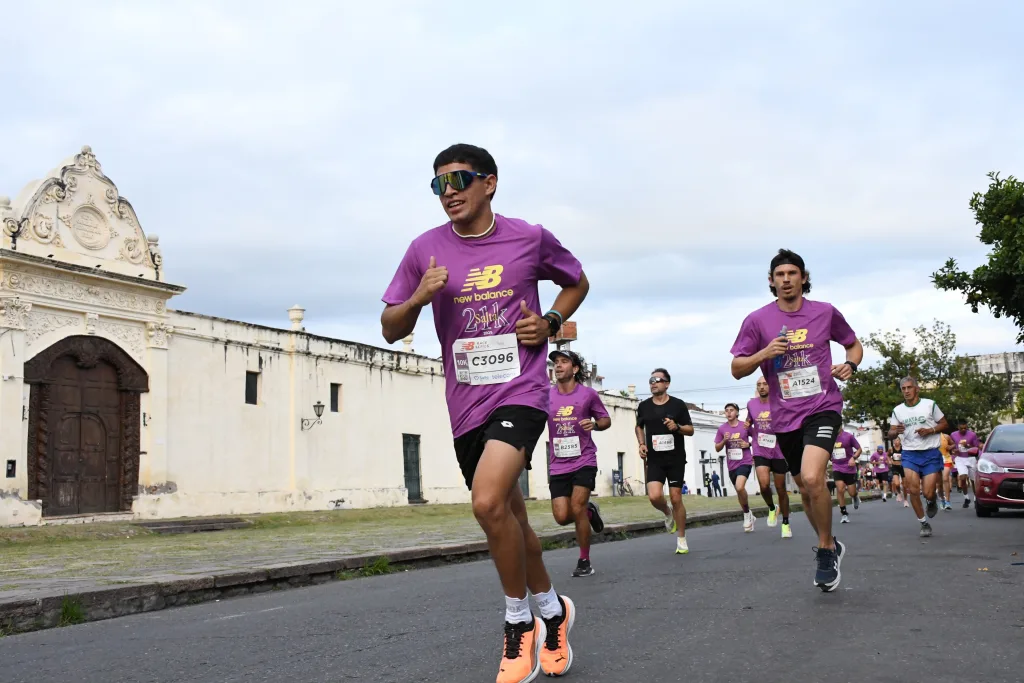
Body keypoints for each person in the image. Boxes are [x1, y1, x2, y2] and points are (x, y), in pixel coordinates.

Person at [381, 144, 589, 681]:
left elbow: (576, 280)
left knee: (487, 500)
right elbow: (390, 327)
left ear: (489, 183)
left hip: (521, 389)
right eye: (439, 184)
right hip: (465, 402)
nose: (449, 192)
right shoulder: (423, 250)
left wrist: (549, 321)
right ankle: (553, 610)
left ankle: (518, 622)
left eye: (460, 179)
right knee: (510, 518)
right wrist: (418, 298)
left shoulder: (528, 237)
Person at [730, 249, 863, 592]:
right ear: (772, 282)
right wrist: (764, 353)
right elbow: (736, 368)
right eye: (780, 274)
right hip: (784, 416)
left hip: (823, 405)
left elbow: (853, 344)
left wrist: (851, 364)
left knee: (811, 475)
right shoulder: (757, 321)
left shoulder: (824, 312)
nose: (786, 279)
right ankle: (830, 542)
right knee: (805, 488)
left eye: (793, 273)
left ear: (804, 278)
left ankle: (824, 550)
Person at [546, 349, 611, 578]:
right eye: (556, 363)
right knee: (562, 517)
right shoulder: (546, 395)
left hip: (584, 459)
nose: (558, 366)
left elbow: (605, 420)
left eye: (564, 362)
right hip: (558, 462)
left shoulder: (588, 394)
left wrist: (594, 424)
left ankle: (584, 560)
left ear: (574, 369)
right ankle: (590, 513)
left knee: (576, 506)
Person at [635, 368, 694, 554]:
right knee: (654, 496)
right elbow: (638, 427)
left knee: (677, 498)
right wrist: (641, 443)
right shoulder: (644, 406)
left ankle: (682, 538)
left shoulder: (678, 405)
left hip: (675, 458)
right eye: (651, 380)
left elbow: (690, 430)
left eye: (658, 380)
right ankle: (668, 513)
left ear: (667, 384)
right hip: (654, 459)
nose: (653, 383)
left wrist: (676, 427)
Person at [887, 377, 948, 538]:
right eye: (903, 389)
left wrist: (930, 431)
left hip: (930, 453)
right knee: (913, 490)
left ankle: (932, 500)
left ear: (917, 389)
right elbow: (891, 432)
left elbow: (944, 423)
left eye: (909, 388)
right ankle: (923, 523)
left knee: (928, 492)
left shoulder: (930, 404)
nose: (906, 391)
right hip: (910, 454)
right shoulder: (898, 410)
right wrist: (895, 431)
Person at [746, 376, 793, 538]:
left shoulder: (780, 402)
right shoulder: (751, 404)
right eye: (759, 385)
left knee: (781, 489)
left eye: (765, 384)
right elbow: (749, 422)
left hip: (779, 450)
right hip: (760, 449)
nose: (762, 387)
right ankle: (772, 508)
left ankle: (786, 523)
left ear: (771, 386)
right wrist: (747, 428)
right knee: (764, 484)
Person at [715, 403, 756, 531]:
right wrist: (724, 441)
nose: (729, 413)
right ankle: (748, 512)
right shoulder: (722, 429)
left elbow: (757, 437)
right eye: (726, 411)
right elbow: (717, 448)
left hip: (745, 461)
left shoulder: (744, 426)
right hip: (731, 464)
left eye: (731, 410)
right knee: (739, 491)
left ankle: (745, 516)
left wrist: (748, 444)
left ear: (737, 413)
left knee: (739, 486)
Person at [833, 429, 863, 523]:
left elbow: (859, 449)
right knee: (840, 489)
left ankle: (855, 496)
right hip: (837, 467)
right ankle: (844, 513)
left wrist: (853, 458)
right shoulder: (830, 437)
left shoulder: (848, 436)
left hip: (849, 467)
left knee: (852, 492)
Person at [951, 420, 981, 509]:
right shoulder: (953, 435)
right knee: (963, 477)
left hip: (970, 458)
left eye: (965, 428)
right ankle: (966, 498)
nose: (963, 430)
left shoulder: (972, 435)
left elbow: (976, 447)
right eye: (961, 428)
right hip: (960, 458)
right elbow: (951, 446)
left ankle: (976, 499)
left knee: (973, 481)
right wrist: (954, 451)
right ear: (958, 427)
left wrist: (967, 445)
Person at [889, 437, 906, 505]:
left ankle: (905, 500)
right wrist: (890, 461)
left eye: (897, 440)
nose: (896, 442)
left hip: (903, 467)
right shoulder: (891, 449)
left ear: (900, 441)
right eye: (895, 440)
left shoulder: (903, 448)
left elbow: (907, 456)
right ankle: (899, 493)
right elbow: (887, 456)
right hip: (895, 467)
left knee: (905, 485)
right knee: (897, 483)